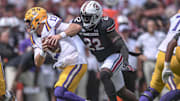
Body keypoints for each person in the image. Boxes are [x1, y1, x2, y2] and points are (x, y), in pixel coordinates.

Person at [47, 1, 137, 101]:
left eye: (88, 17)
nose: (85, 19)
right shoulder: (78, 23)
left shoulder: (105, 24)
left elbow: (119, 42)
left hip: (114, 55)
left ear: (96, 16)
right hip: (100, 60)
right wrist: (56, 37)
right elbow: (70, 29)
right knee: (121, 92)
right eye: (83, 16)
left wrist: (125, 60)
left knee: (104, 75)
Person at [24, 7, 88, 101]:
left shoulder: (50, 24)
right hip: (65, 67)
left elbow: (77, 27)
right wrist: (43, 51)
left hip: (76, 62)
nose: (27, 25)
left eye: (29, 21)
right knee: (61, 98)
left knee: (58, 92)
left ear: (38, 19)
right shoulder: (34, 37)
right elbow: (38, 62)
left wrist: (59, 36)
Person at [139, 10, 180, 101]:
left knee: (154, 87)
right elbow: (173, 43)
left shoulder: (177, 15)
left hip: (161, 53)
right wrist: (167, 65)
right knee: (178, 89)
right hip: (174, 54)